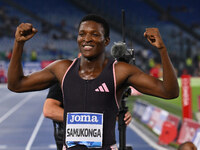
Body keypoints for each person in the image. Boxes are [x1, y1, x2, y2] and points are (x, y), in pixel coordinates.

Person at [7, 14, 179, 150]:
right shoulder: (62, 68)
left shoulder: (119, 71)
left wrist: (162, 50)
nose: (86, 38)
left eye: (94, 34)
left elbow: (169, 92)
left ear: (106, 41)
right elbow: (16, 85)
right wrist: (18, 44)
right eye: (82, 34)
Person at [43, 83, 133, 150]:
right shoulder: (63, 76)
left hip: (100, 140)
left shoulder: (105, 78)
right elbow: (49, 110)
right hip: (72, 141)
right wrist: (87, 118)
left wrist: (119, 115)